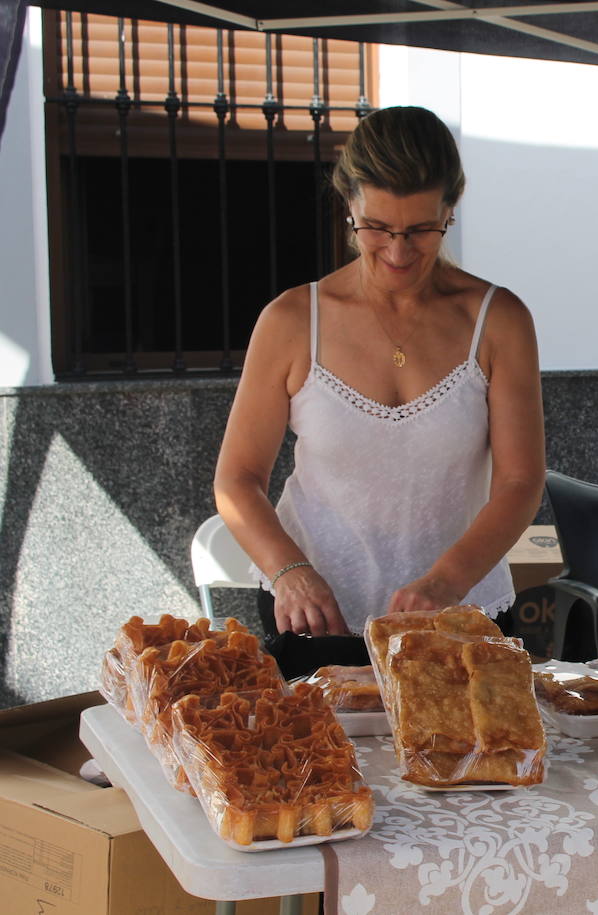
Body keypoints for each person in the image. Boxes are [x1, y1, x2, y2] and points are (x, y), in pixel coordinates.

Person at [214, 106, 544, 677]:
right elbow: (236, 480)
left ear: (451, 210)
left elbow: (520, 481)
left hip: (460, 612)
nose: (397, 251)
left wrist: (446, 582)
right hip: (316, 617)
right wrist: (289, 570)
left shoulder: (499, 320)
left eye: (421, 230)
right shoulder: (292, 321)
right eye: (377, 228)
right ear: (349, 204)